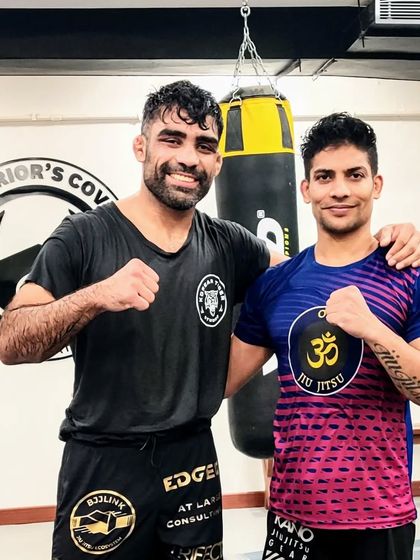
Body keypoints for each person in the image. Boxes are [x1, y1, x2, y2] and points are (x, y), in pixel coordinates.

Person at [0, 84, 418, 560]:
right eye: (171, 139)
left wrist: (399, 240)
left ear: (218, 162)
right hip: (104, 458)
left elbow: (310, 275)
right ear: (141, 146)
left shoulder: (231, 245)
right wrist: (96, 296)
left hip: (193, 459)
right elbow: (11, 341)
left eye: (203, 145)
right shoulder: (83, 236)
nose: (188, 157)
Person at [226, 112, 420, 560]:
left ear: (376, 184)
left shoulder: (407, 274)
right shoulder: (275, 285)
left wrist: (371, 327)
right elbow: (222, 381)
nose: (339, 190)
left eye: (355, 175)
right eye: (325, 176)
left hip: (379, 513)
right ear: (305, 189)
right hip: (294, 514)